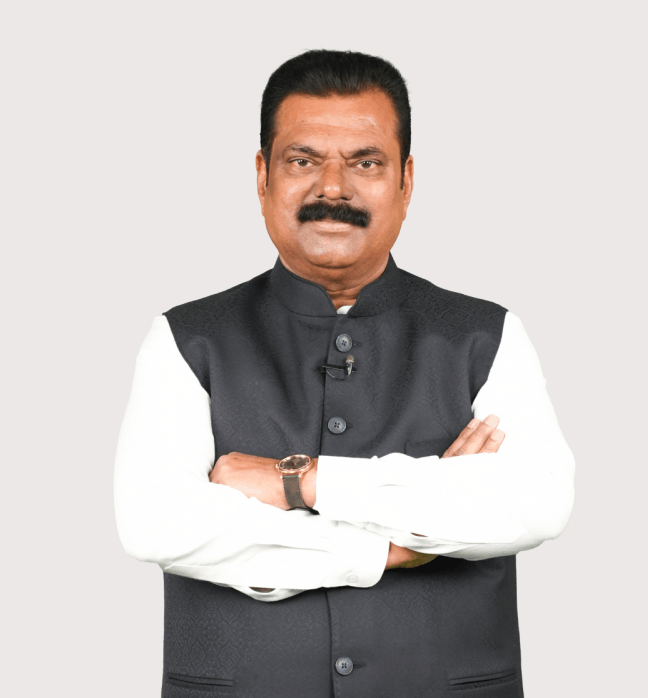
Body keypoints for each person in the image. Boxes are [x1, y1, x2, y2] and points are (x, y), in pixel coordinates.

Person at [114, 49, 575, 698]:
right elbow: (156, 522)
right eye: (303, 161)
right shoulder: (186, 338)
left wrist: (297, 482)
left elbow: (533, 503)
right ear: (262, 176)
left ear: (406, 180)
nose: (332, 188)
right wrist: (391, 544)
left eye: (365, 162)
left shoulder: (484, 334)